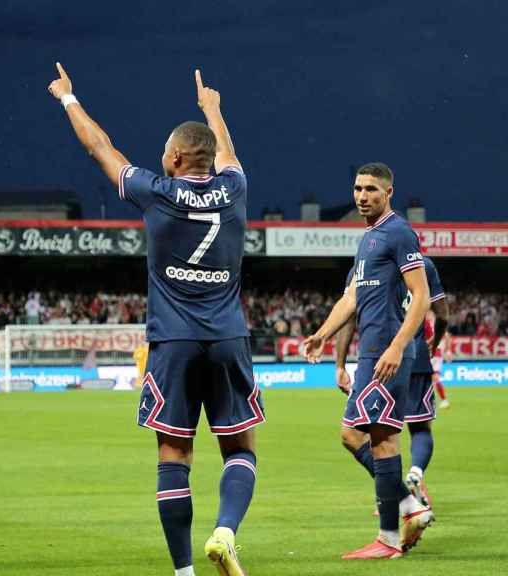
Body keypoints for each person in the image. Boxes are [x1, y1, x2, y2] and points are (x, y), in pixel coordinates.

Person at [49, 64, 260, 576]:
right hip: (228, 337)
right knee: (239, 449)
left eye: (167, 152)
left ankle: (183, 571)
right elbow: (227, 154)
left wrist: (69, 99)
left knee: (174, 453)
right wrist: (212, 108)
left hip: (173, 341)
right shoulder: (236, 188)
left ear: (177, 158)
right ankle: (226, 532)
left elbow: (101, 148)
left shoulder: (156, 191)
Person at [302, 162, 433, 559]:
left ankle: (389, 538)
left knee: (382, 439)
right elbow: (352, 298)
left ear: (388, 192)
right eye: (358, 188)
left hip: (385, 353)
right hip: (370, 353)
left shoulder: (397, 233)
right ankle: (410, 507)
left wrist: (395, 346)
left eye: (371, 189)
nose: (362, 196)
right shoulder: (369, 239)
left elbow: (422, 296)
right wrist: (322, 335)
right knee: (354, 435)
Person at [334, 256, 449, 510]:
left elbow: (349, 316)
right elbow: (442, 314)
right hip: (415, 354)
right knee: (419, 428)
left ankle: (390, 493)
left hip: (378, 357)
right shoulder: (423, 265)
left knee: (376, 433)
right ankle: (414, 475)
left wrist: (340, 364)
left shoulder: (360, 267)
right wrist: (436, 341)